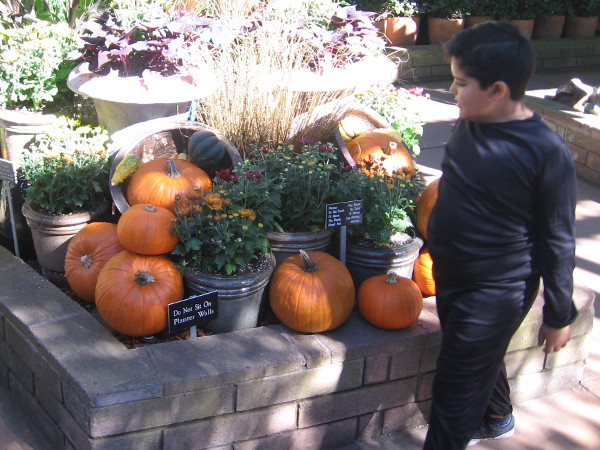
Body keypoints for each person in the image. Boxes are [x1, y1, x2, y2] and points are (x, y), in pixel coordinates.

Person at [424, 21, 578, 449]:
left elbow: (559, 241)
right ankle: (497, 415)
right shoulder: (473, 119)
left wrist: (559, 314)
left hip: (497, 289)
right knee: (475, 356)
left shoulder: (546, 154)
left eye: (459, 83)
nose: (452, 92)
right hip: (451, 272)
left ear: (496, 90)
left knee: (453, 390)